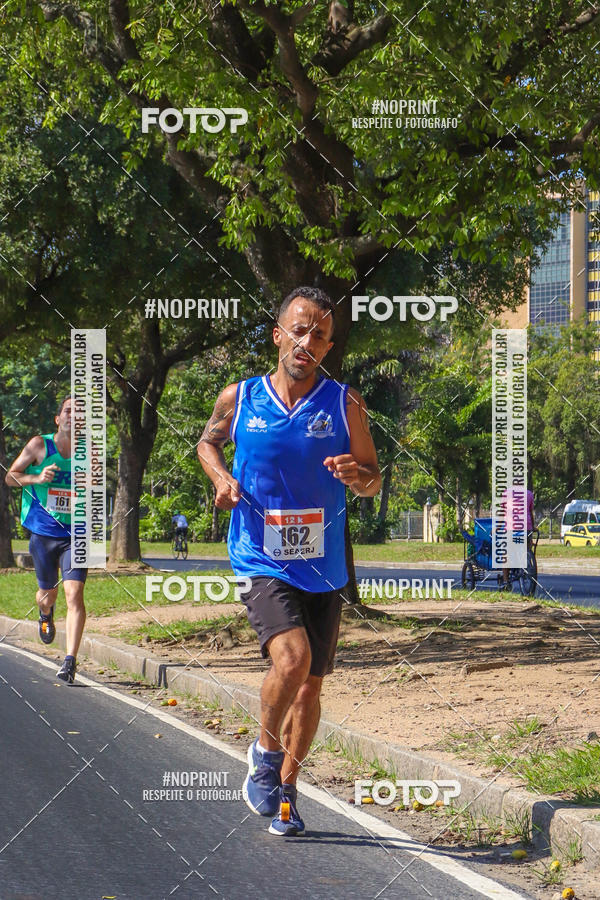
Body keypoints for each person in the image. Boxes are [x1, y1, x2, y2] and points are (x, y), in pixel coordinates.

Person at [197, 286, 381, 836]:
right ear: (278, 335)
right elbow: (207, 444)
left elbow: (373, 477)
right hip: (260, 554)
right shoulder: (241, 397)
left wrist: (358, 477)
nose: (307, 341)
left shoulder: (345, 403)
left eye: (319, 335)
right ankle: (263, 752)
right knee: (292, 659)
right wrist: (222, 479)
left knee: (311, 687)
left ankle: (287, 793)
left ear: (327, 346)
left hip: (322, 564)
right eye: (298, 330)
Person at [5, 397, 87, 683]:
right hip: (43, 533)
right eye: (68, 411)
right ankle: (45, 612)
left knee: (74, 594)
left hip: (76, 533)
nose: (73, 416)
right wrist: (37, 478)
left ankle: (69, 661)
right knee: (48, 596)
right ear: (58, 418)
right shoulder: (40, 445)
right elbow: (11, 477)